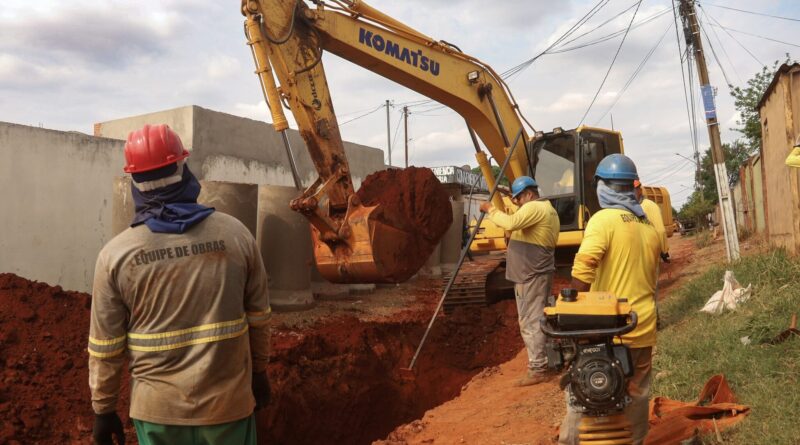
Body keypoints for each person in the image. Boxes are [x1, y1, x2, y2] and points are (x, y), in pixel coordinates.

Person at [88, 124, 272, 445]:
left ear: (134, 181)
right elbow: (259, 317)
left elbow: (106, 346)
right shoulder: (236, 235)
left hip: (157, 413)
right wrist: (259, 371)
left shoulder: (115, 255)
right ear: (183, 167)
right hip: (227, 406)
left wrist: (103, 409)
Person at [558, 154, 660, 445]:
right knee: (636, 393)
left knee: (587, 390)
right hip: (643, 325)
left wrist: (569, 308)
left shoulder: (603, 220)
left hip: (610, 330)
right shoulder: (648, 226)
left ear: (603, 186)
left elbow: (584, 268)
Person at [480, 176, 560, 386]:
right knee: (539, 317)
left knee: (530, 321)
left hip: (531, 274)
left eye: (519, 198)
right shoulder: (546, 208)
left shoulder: (534, 207)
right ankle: (549, 361)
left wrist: (490, 209)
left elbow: (510, 222)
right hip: (535, 273)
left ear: (529, 194)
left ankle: (538, 368)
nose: (517, 203)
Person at [634, 179, 669, 263]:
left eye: (633, 190)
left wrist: (663, 250)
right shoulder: (628, 207)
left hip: (648, 252)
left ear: (640, 190)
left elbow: (660, 231)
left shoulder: (650, 206)